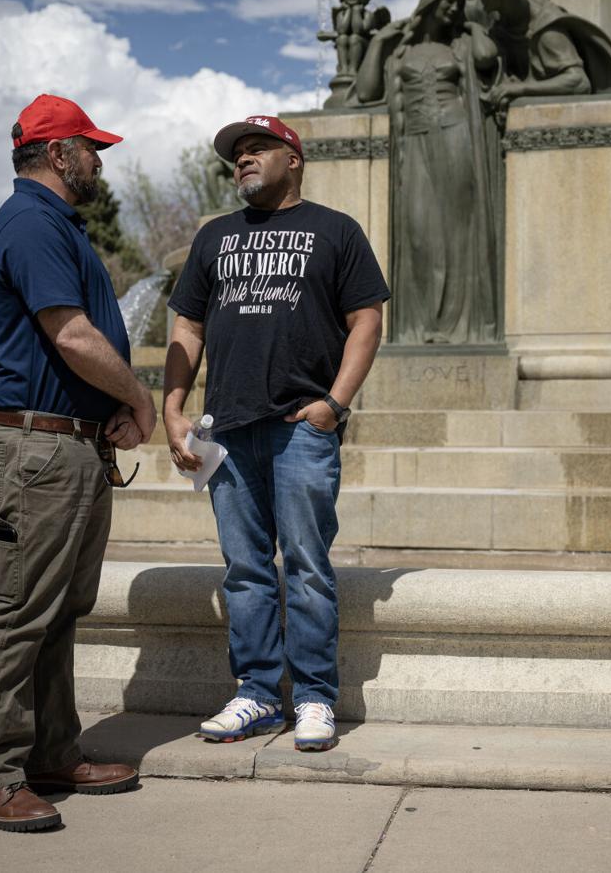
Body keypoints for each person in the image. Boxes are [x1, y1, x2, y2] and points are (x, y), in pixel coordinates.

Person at [164, 115, 388, 753]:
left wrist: (334, 405)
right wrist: (173, 409)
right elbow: (187, 329)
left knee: (308, 566)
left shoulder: (336, 230)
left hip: (301, 428)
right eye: (237, 153)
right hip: (228, 432)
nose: (243, 159)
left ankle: (315, 697)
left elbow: (366, 320)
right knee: (244, 569)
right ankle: (258, 695)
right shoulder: (214, 236)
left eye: (257, 148)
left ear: (294, 159)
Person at [0, 93, 155, 833]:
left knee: (58, 611)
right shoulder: (31, 223)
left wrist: (107, 413)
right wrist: (139, 397)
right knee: (18, 612)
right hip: (38, 448)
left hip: (68, 443)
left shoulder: (54, 224)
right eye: (90, 148)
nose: (98, 162)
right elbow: (70, 335)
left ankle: (50, 753)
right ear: (57, 153)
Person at [356, 0, 502, 344]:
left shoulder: (461, 44)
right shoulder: (400, 50)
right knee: (419, 232)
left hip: (456, 136)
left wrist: (473, 26)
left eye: (458, 3)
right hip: (414, 143)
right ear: (429, 2)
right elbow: (367, 91)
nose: (453, 8)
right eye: (447, 1)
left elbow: (487, 57)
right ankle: (424, 324)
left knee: (457, 230)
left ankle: (457, 326)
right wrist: (380, 43)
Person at [468, 0, 611, 113]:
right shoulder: (493, 7)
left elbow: (579, 82)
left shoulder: (547, 31)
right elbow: (462, 7)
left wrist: (520, 89)